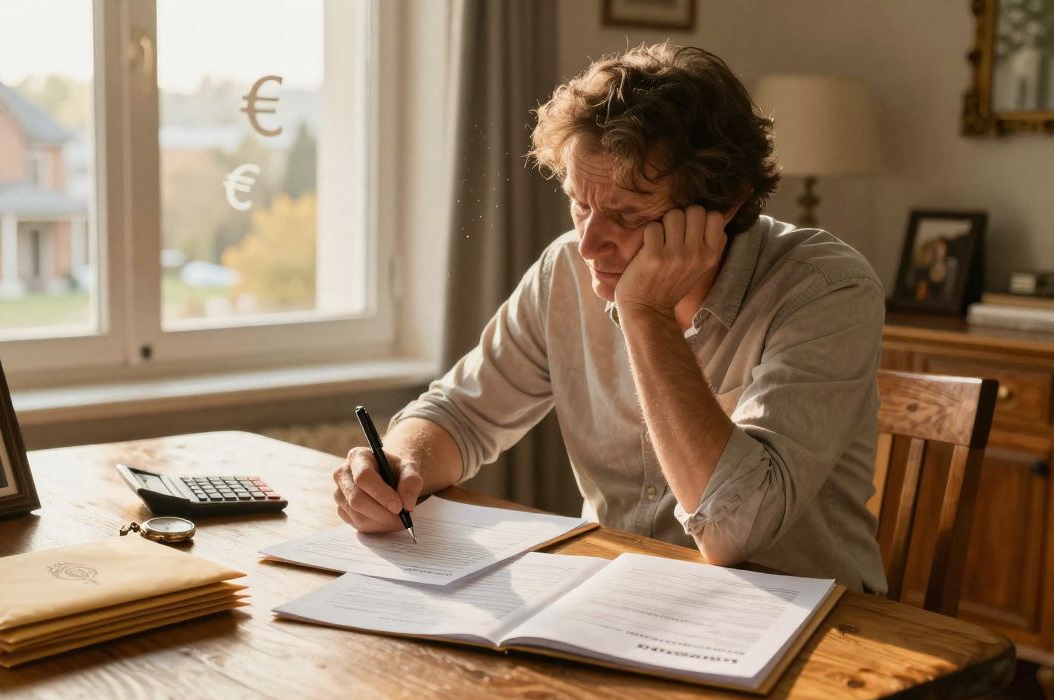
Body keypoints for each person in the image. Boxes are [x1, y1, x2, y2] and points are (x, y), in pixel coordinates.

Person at [332, 43, 888, 594]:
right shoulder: (565, 271)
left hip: (816, 626)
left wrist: (646, 313)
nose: (589, 242)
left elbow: (732, 531)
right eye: (579, 202)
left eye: (626, 214)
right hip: (624, 601)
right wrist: (399, 467)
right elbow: (460, 413)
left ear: (726, 207)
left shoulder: (826, 290)